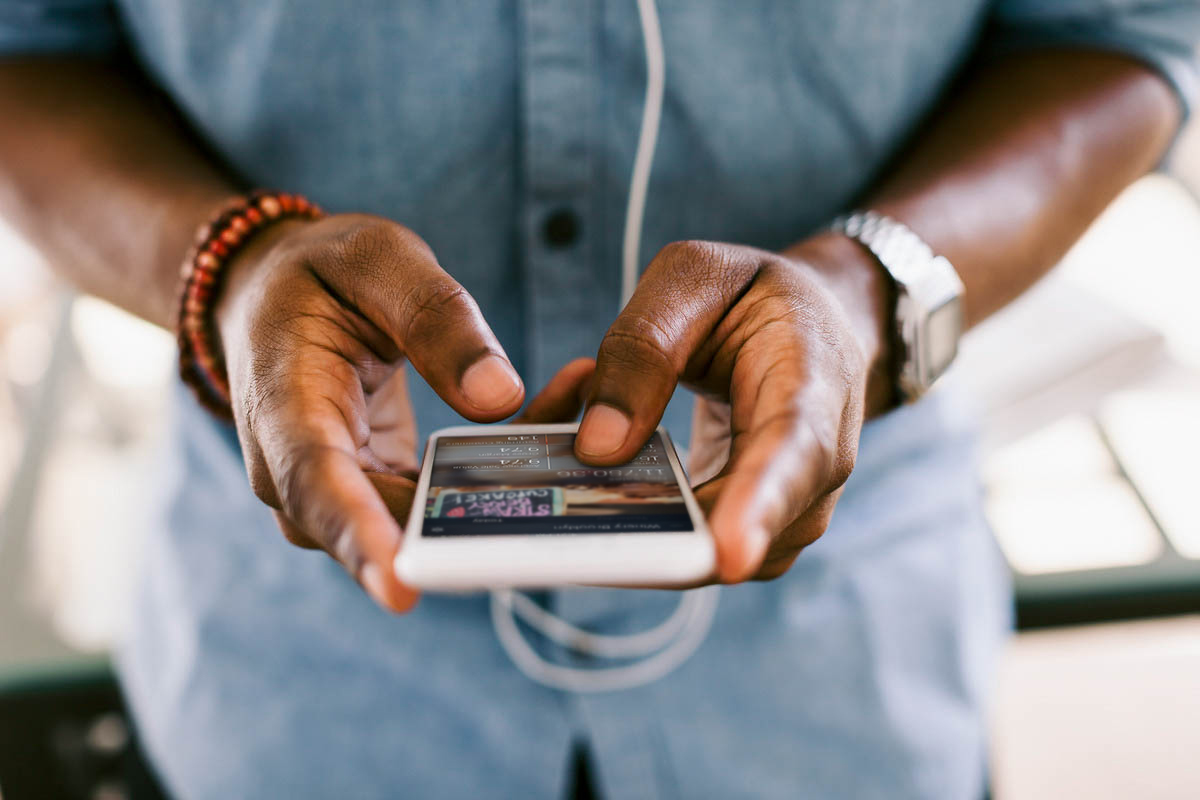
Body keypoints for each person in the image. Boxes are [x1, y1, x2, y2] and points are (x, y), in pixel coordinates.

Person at [2, 1, 1197, 797]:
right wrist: (229, 265)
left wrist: (867, 295)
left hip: (840, 671)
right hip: (298, 686)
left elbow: (1125, 29)